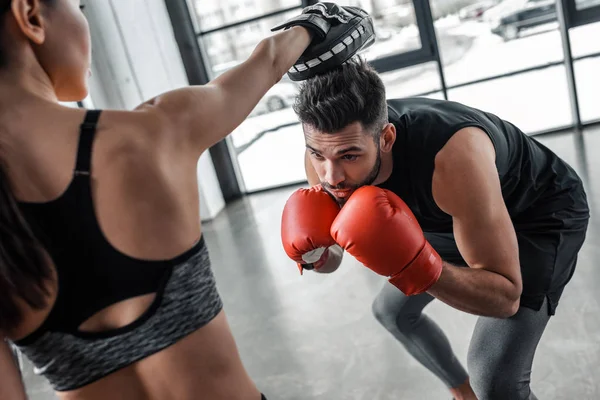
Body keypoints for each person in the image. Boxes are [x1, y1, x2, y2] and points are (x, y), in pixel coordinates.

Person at [0, 1, 372, 399]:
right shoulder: (153, 133)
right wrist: (317, 21)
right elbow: (268, 61)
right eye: (78, 5)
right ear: (32, 16)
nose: (83, 19)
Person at [281, 57, 589, 400]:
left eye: (349, 156)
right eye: (317, 155)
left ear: (386, 138)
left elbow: (505, 299)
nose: (331, 176)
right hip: (455, 217)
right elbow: (334, 251)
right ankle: (463, 393)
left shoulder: (454, 157)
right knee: (392, 313)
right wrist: (319, 253)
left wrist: (416, 267)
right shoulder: (326, 156)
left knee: (496, 380)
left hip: (538, 214)